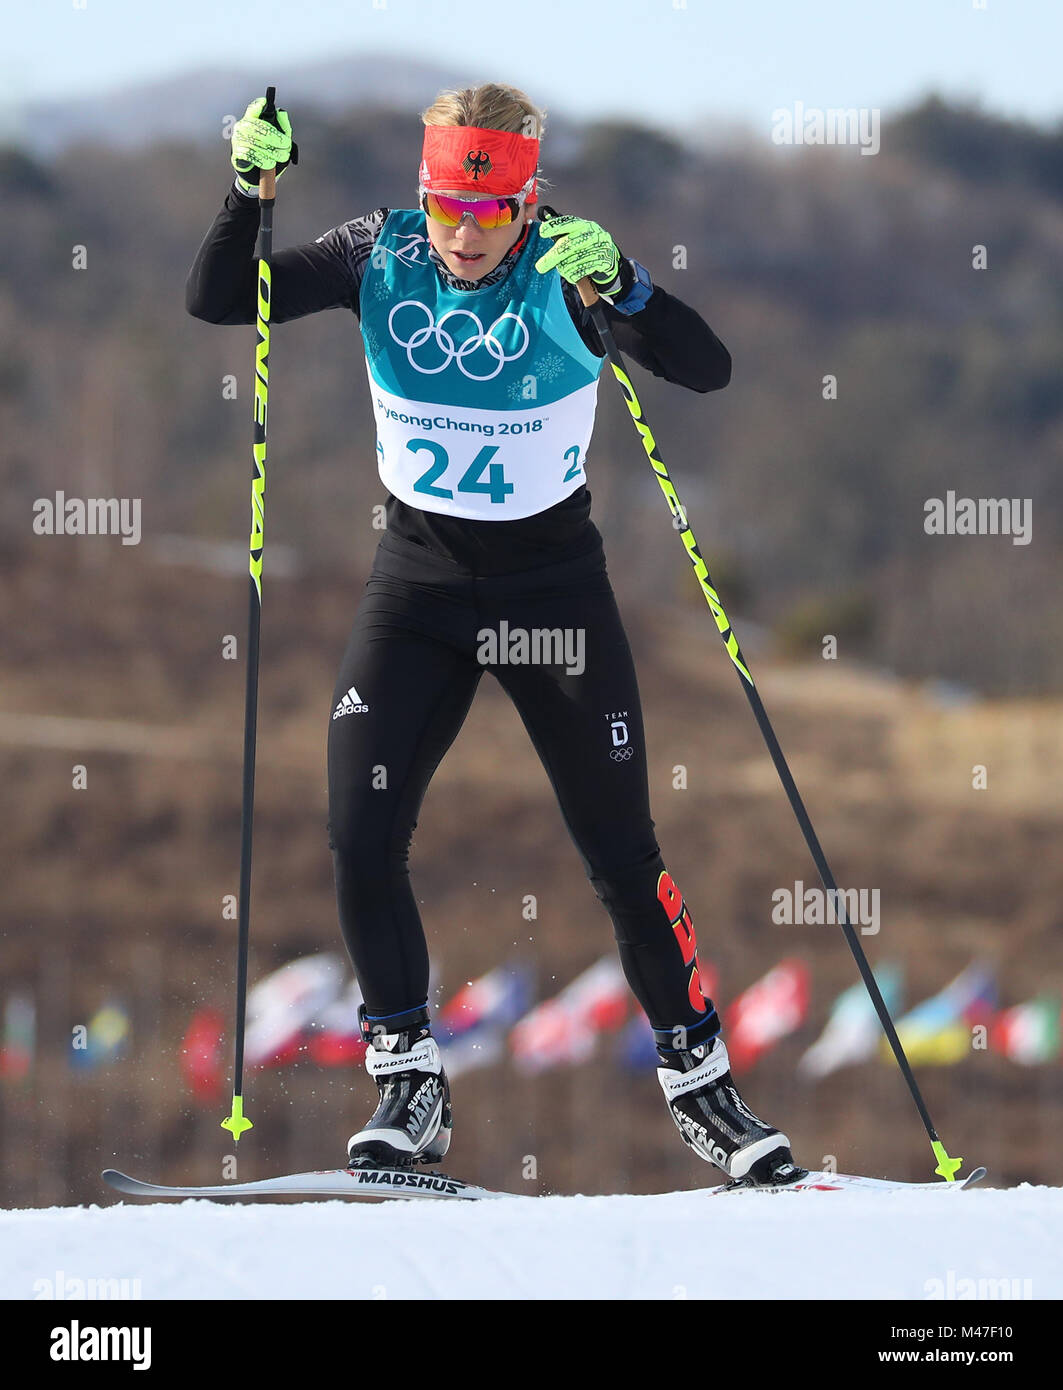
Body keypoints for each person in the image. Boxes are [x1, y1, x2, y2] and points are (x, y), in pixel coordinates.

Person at [186, 82, 806, 1189]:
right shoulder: (379, 253)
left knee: (621, 852)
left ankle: (703, 1087)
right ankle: (409, 1081)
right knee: (357, 830)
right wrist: (247, 193)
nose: (464, 236)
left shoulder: (568, 274)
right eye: (446, 210)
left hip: (552, 595)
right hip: (416, 590)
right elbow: (223, 299)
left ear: (528, 204)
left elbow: (704, 365)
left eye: (489, 215)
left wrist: (631, 286)